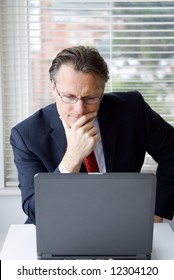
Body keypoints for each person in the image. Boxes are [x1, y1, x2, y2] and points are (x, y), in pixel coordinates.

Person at [10, 46, 174, 225]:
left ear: (102, 92)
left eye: (90, 98)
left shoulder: (133, 110)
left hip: (123, 223)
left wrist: (158, 210)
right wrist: (71, 159)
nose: (79, 109)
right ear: (54, 89)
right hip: (62, 227)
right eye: (69, 97)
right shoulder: (26, 136)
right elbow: (35, 212)